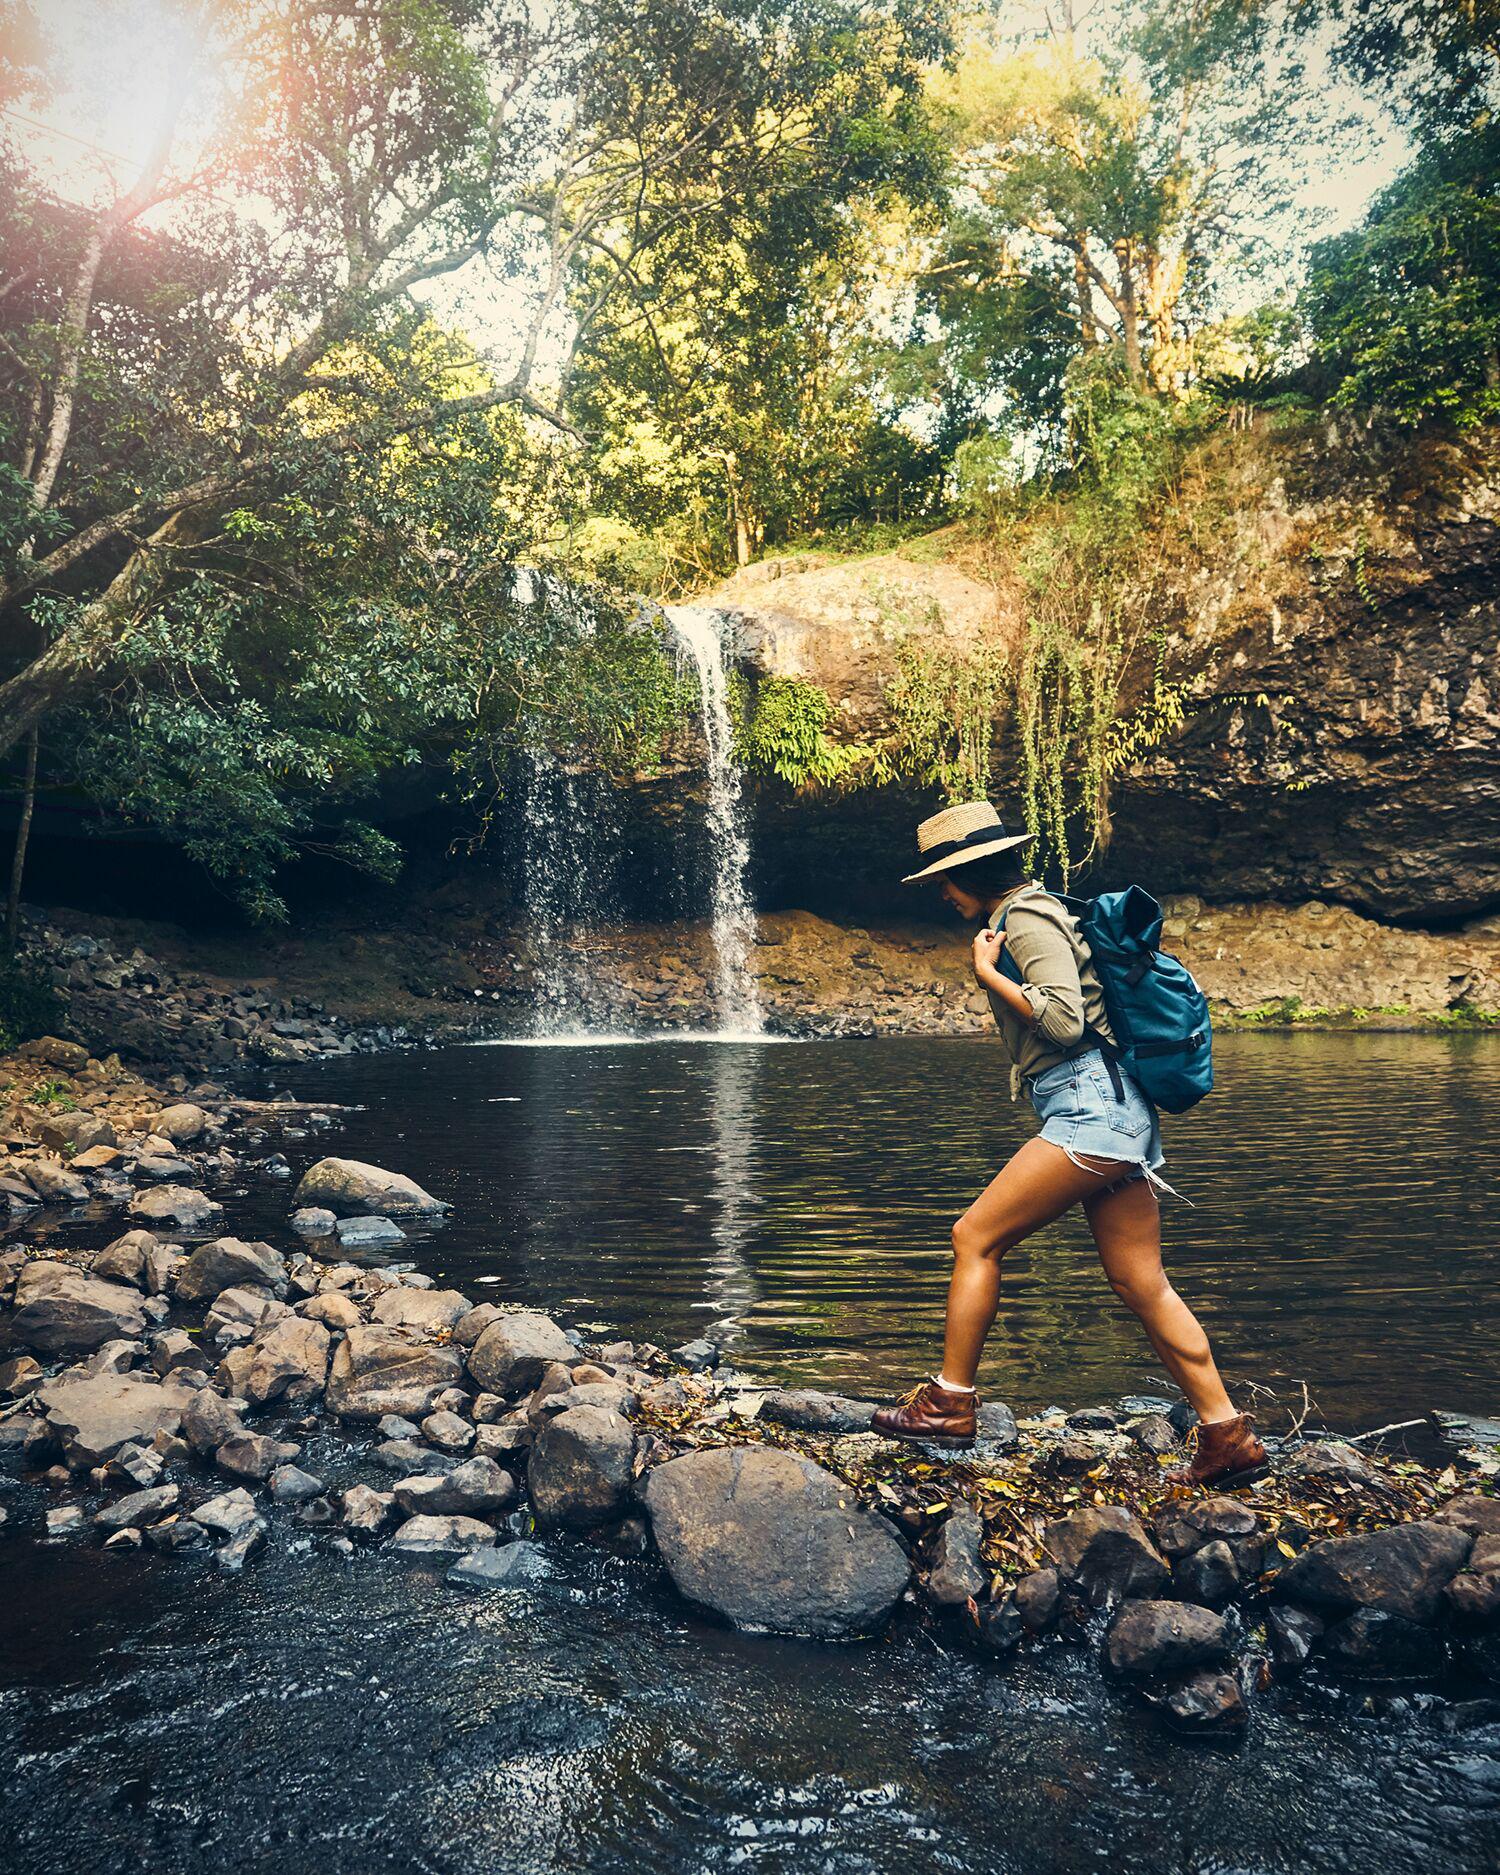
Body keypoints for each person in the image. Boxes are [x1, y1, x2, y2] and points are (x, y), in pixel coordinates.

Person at [871, 800, 1265, 1490]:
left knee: (975, 1237)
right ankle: (1226, 1434)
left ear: (974, 870)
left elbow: (1062, 1018)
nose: (941, 891)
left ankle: (949, 1403)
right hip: (1108, 1108)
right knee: (1141, 1282)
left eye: (944, 878)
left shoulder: (1023, 917)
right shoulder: (1026, 913)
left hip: (1093, 1107)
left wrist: (989, 975)